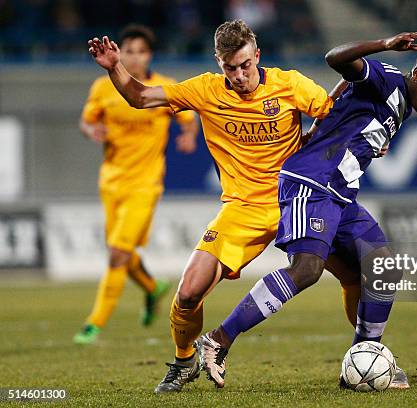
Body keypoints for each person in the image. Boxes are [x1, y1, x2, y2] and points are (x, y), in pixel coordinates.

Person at [87, 19, 378, 393]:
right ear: (218, 62)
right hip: (244, 208)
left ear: (258, 55)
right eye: (230, 67)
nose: (239, 75)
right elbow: (141, 98)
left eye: (245, 65)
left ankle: (366, 353)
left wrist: (365, 137)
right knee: (188, 293)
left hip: (299, 198)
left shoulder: (290, 84)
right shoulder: (205, 90)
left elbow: (333, 113)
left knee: (354, 275)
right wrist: (116, 68)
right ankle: (183, 360)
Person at [195, 33, 417, 389]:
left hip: (340, 194)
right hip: (312, 182)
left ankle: (364, 359)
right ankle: (218, 340)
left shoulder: (401, 103)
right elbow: (336, 58)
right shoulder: (386, 78)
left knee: (383, 266)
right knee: (306, 271)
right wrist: (385, 43)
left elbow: (345, 106)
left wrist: (347, 130)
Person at [74, 24, 198, 345]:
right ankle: (153, 287)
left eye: (141, 51)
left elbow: (188, 117)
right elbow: (87, 121)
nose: (135, 56)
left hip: (146, 184)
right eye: (129, 50)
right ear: (120, 53)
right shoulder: (103, 88)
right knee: (123, 254)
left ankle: (94, 323)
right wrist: (92, 132)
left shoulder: (161, 88)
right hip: (111, 181)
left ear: (149, 55)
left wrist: (187, 135)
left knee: (117, 254)